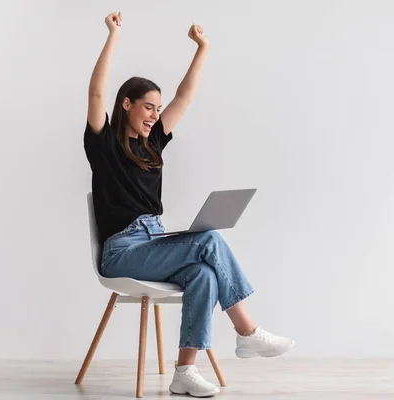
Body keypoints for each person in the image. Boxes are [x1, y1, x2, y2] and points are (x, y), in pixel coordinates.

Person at [83, 12, 294, 398]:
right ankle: (246, 331)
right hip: (121, 252)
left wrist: (204, 49)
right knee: (209, 241)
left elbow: (185, 96)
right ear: (126, 104)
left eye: (157, 110)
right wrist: (114, 35)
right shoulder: (104, 145)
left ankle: (184, 370)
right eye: (148, 107)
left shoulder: (153, 145)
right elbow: (97, 94)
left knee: (204, 274)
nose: (154, 116)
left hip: (153, 240)